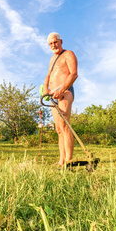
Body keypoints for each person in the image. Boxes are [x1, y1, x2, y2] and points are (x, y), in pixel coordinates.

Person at [43, 32, 78, 168]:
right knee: (58, 129)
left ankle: (69, 161)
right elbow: (48, 76)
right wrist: (46, 88)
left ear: (61, 41)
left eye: (55, 42)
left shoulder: (68, 54)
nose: (53, 45)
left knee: (65, 125)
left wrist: (62, 89)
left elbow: (74, 74)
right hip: (53, 95)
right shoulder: (52, 59)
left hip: (65, 91)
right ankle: (61, 160)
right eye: (50, 44)